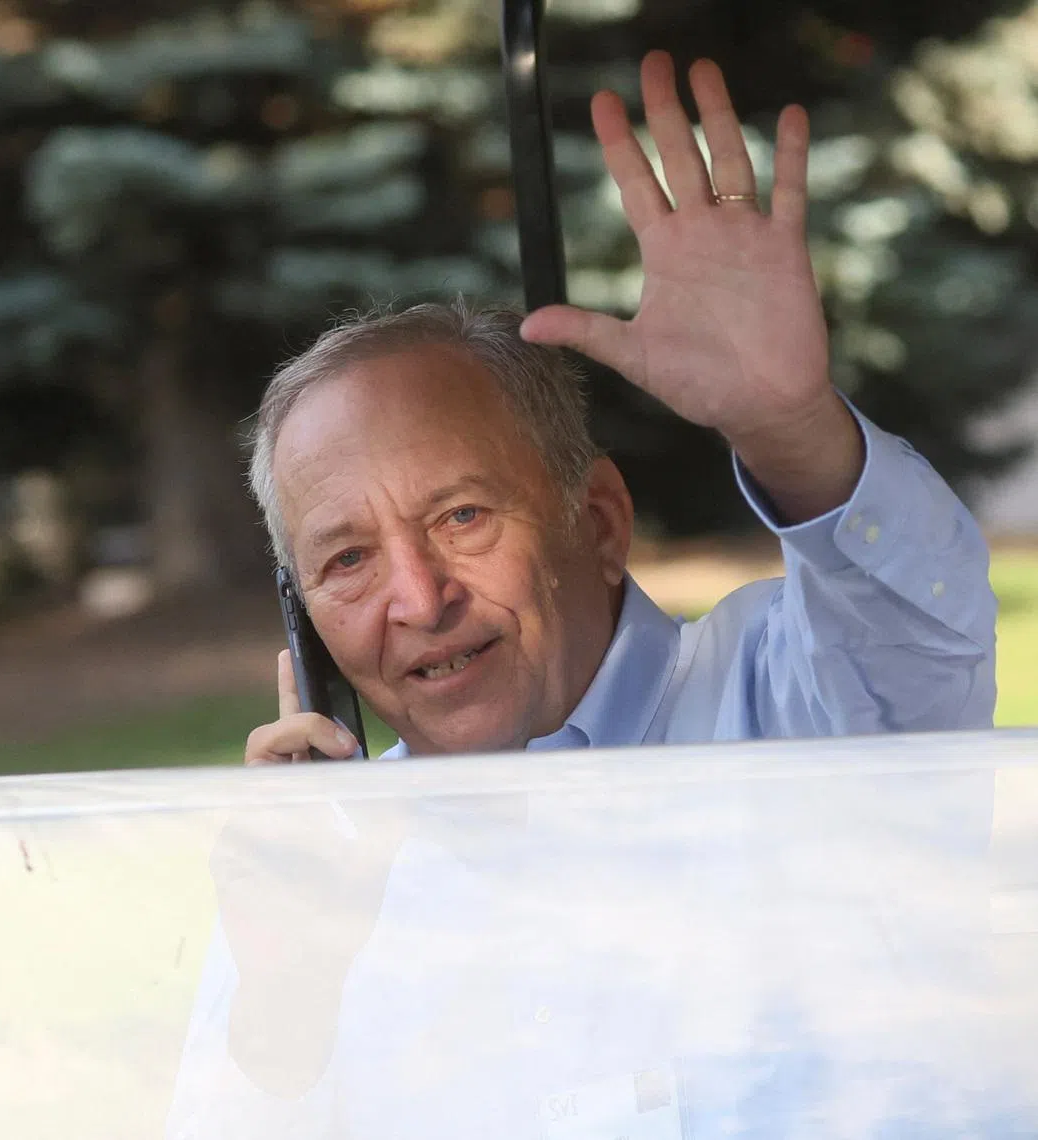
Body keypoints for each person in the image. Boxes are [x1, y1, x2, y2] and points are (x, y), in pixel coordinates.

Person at [243, 51, 995, 767]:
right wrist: (300, 882)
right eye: (347, 560)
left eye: (461, 517)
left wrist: (789, 430)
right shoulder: (347, 838)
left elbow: (916, 637)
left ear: (601, 520)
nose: (417, 602)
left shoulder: (785, 707)